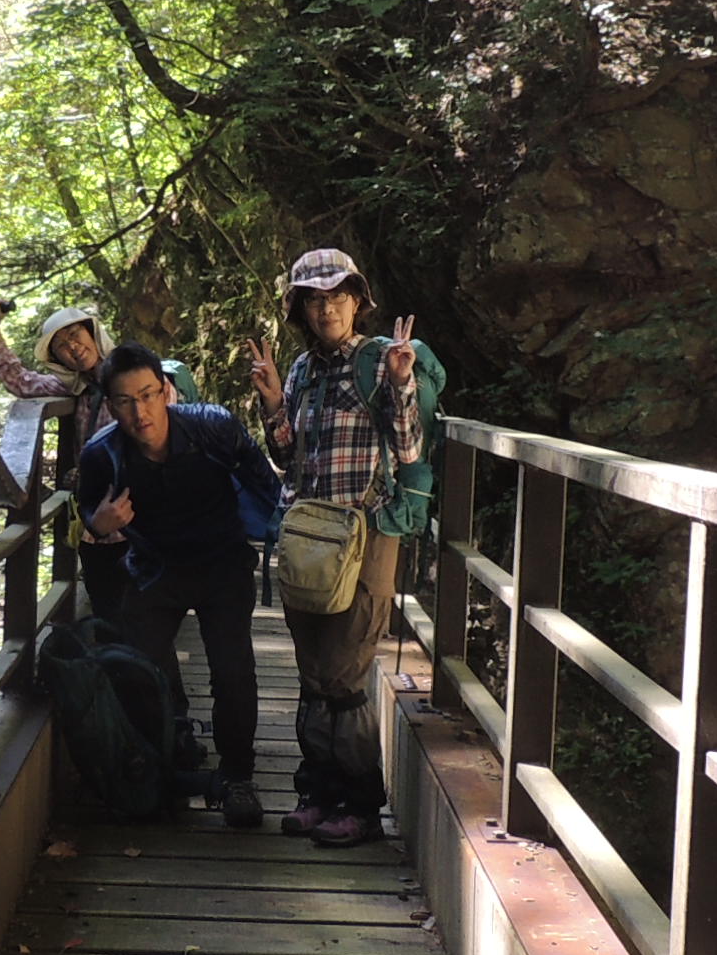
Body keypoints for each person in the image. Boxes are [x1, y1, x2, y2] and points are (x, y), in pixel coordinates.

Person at [248, 248, 442, 847]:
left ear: (357, 301)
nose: (326, 308)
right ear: (300, 310)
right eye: (314, 299)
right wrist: (274, 401)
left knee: (346, 673)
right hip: (308, 534)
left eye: (337, 296)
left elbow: (408, 449)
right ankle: (317, 792)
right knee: (312, 672)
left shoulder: (380, 360)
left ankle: (360, 806)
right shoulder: (302, 370)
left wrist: (402, 381)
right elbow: (287, 456)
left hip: (365, 532)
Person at [75, 344, 282, 830]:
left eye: (148, 395)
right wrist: (101, 524)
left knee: (233, 672)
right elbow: (88, 511)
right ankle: (167, 756)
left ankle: (238, 777)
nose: (140, 412)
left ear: (165, 390)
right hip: (155, 568)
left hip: (222, 564)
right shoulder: (102, 453)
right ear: (110, 404)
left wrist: (272, 533)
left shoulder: (213, 427)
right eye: (125, 401)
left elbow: (266, 484)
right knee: (139, 668)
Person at [0, 297, 194, 628]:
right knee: (109, 616)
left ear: (93, 334)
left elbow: (163, 440)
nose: (73, 348)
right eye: (62, 347)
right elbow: (19, 380)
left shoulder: (138, 374)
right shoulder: (75, 387)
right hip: (99, 526)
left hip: (145, 520)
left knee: (149, 624)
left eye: (76, 336)